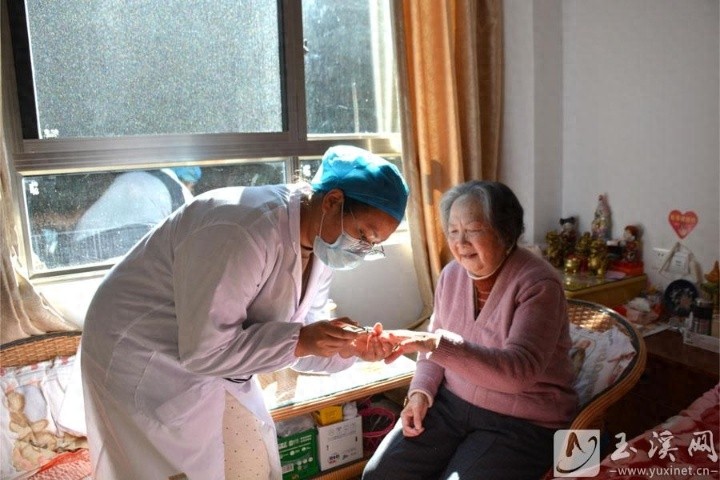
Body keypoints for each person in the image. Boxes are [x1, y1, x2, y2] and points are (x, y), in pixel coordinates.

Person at [80, 145, 409, 480]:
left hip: (208, 356)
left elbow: (304, 335)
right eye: (363, 235)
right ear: (333, 201)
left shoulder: (321, 247)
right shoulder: (243, 229)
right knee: (164, 469)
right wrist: (301, 340)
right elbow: (208, 350)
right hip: (139, 353)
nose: (361, 250)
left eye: (372, 244)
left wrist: (349, 347)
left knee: (249, 462)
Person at [363, 180, 578, 480]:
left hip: (520, 420)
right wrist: (420, 393)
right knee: (380, 474)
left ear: (505, 232)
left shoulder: (539, 284)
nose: (460, 243)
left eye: (473, 230)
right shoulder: (451, 275)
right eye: (453, 231)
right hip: (452, 406)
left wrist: (432, 344)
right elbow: (433, 350)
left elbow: (518, 373)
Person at [71, 167, 200, 262]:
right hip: (129, 243)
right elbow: (192, 237)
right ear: (189, 182)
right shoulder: (176, 187)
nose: (191, 190)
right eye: (192, 186)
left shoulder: (130, 176)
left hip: (83, 243)